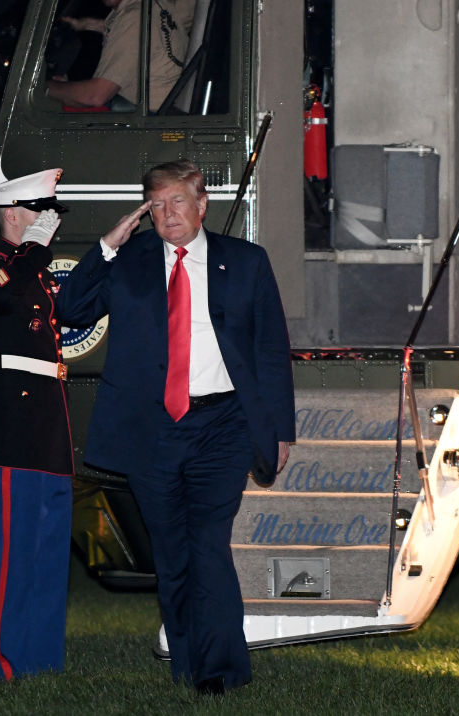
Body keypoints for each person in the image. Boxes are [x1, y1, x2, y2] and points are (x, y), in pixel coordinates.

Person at [55, 159, 295, 694]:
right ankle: (189, 664)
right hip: (152, 429)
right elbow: (71, 310)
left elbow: (271, 350)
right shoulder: (130, 261)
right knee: (171, 551)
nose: (168, 215)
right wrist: (108, 245)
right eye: (156, 206)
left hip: (223, 425)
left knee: (208, 542)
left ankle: (221, 670)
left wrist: (279, 430)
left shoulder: (247, 261)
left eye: (177, 202)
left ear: (201, 204)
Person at [0, 168, 74, 680]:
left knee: (50, 550)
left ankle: (44, 662)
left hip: (48, 417)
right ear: (12, 214)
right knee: (14, 552)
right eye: (38, 212)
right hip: (10, 422)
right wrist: (32, 249)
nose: (48, 223)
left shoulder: (35, 268)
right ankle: (7, 665)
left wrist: (111, 251)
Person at [46, 0, 194, 112]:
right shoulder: (155, 5)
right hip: (161, 110)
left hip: (143, 117)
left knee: (49, 111)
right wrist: (83, 24)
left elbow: (95, 96)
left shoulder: (135, 17)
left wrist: (44, 88)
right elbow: (119, 28)